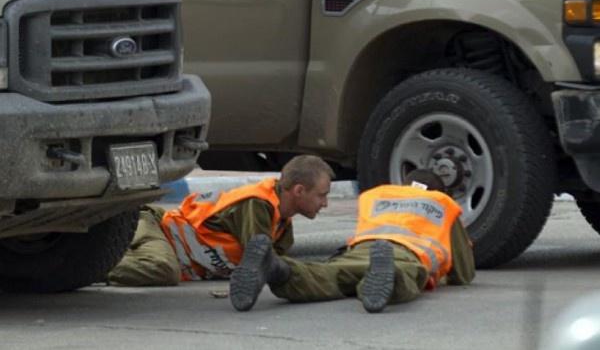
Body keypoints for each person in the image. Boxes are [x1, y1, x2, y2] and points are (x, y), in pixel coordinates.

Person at [229, 169, 475, 313]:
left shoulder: (378, 195)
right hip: (404, 255)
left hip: (360, 249)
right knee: (406, 275)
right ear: (439, 192)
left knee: (328, 275)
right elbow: (464, 273)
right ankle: (382, 278)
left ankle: (277, 268)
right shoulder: (442, 203)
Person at [108, 154, 334, 286]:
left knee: (166, 268)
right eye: (322, 195)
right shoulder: (257, 204)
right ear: (299, 190)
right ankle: (85, 272)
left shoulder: (283, 225)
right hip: (158, 230)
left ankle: (102, 259)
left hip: (172, 250)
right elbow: (262, 261)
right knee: (162, 270)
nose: (325, 204)